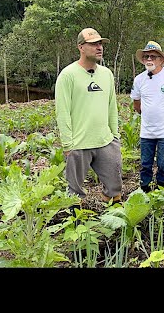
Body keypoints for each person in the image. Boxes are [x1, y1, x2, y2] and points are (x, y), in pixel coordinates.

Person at [55, 27, 123, 204]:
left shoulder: (106, 74)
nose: (99, 47)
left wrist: (114, 136)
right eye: (93, 44)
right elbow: (62, 111)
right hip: (78, 144)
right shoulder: (68, 75)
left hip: (105, 141)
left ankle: (113, 223)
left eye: (100, 43)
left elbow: (111, 106)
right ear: (81, 47)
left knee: (115, 189)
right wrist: (68, 144)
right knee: (75, 194)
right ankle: (78, 224)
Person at [130, 41, 164, 193]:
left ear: (161, 59)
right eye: (146, 56)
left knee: (163, 163)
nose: (149, 59)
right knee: (145, 163)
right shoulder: (139, 80)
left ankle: (161, 188)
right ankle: (145, 189)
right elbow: (136, 103)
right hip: (147, 131)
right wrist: (148, 115)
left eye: (153, 56)